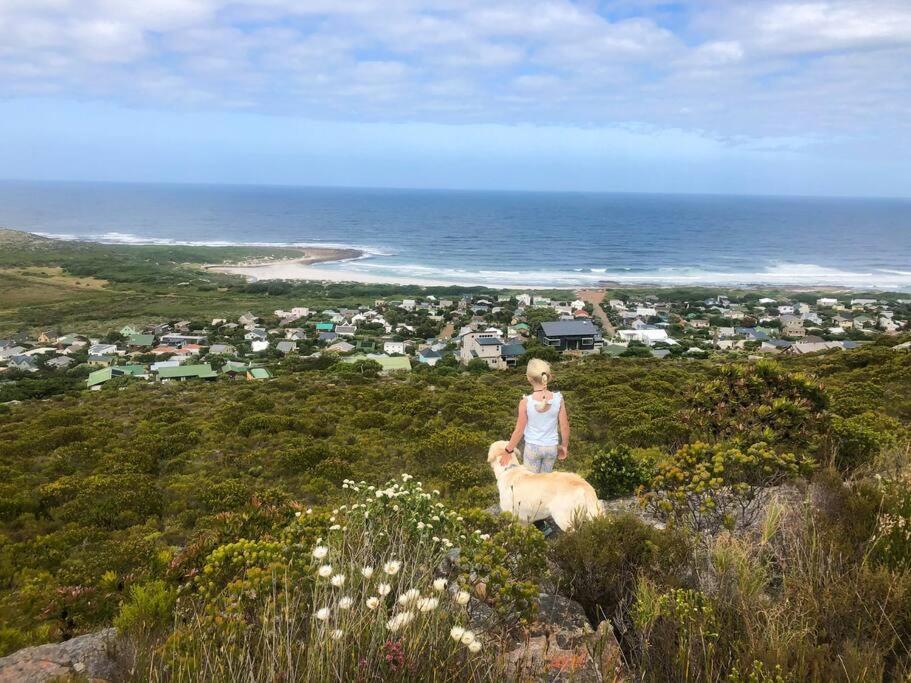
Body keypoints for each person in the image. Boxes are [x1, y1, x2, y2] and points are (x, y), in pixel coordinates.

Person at [500, 358, 570, 473]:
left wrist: (508, 451)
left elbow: (519, 431)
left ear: (529, 378)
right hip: (551, 448)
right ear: (548, 376)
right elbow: (564, 426)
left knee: (531, 485)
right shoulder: (558, 399)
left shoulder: (526, 402)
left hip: (533, 448)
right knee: (544, 484)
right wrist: (564, 446)